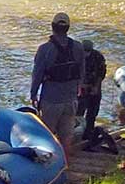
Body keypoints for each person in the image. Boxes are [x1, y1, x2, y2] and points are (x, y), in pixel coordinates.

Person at [29, 12, 84, 156]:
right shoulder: (78, 47)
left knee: (47, 136)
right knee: (66, 137)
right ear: (68, 28)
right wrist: (78, 88)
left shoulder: (45, 49)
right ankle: (65, 166)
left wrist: (33, 94)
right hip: (71, 99)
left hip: (51, 100)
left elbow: (38, 74)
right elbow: (81, 72)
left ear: (52, 27)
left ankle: (50, 169)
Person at [77, 39, 107, 142]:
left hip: (94, 87)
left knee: (92, 113)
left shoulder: (98, 57)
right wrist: (80, 86)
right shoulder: (76, 57)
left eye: (88, 51)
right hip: (81, 89)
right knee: (78, 114)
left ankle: (88, 135)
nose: (86, 54)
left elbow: (101, 73)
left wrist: (96, 87)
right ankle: (78, 134)